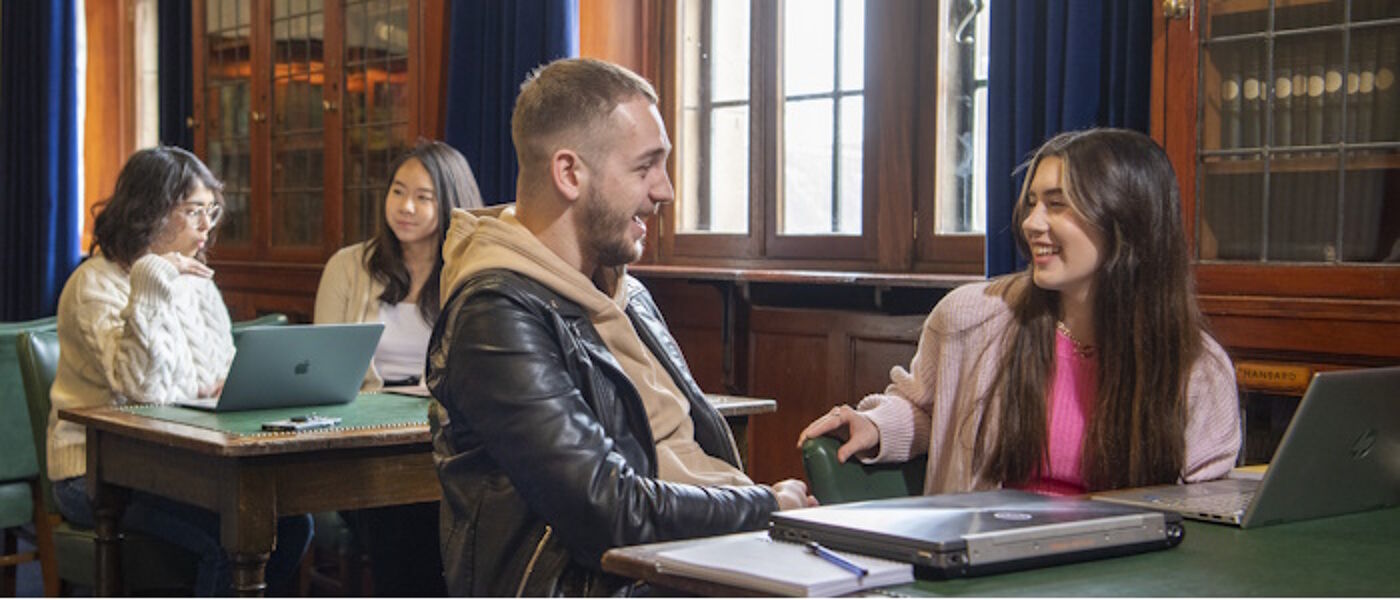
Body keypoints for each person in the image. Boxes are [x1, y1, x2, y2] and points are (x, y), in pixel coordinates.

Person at [425, 57, 816, 596]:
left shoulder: (626, 292)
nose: (666, 190)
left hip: (706, 556)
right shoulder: (494, 315)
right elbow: (606, 510)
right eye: (644, 167)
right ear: (569, 174)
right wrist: (766, 506)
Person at [798, 128, 1241, 496]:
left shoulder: (1198, 368)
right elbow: (930, 411)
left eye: (1057, 204)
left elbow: (1205, 508)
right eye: (1032, 203)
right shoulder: (970, 317)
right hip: (987, 559)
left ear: (1126, 220)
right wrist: (875, 426)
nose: (1031, 223)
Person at [47, 146, 312, 596]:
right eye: (193, 212)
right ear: (149, 211)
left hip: (183, 461)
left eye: (212, 211)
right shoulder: (93, 285)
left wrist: (209, 386)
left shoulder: (197, 281)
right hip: (95, 471)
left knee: (292, 525)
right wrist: (152, 281)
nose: (207, 225)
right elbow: (144, 391)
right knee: (228, 537)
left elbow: (221, 376)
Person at [313, 140, 482, 596]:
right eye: (397, 191)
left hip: (445, 440)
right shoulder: (348, 267)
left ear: (451, 203)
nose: (405, 207)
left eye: (423, 197)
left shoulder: (472, 273)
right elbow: (326, 372)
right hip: (363, 445)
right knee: (400, 515)